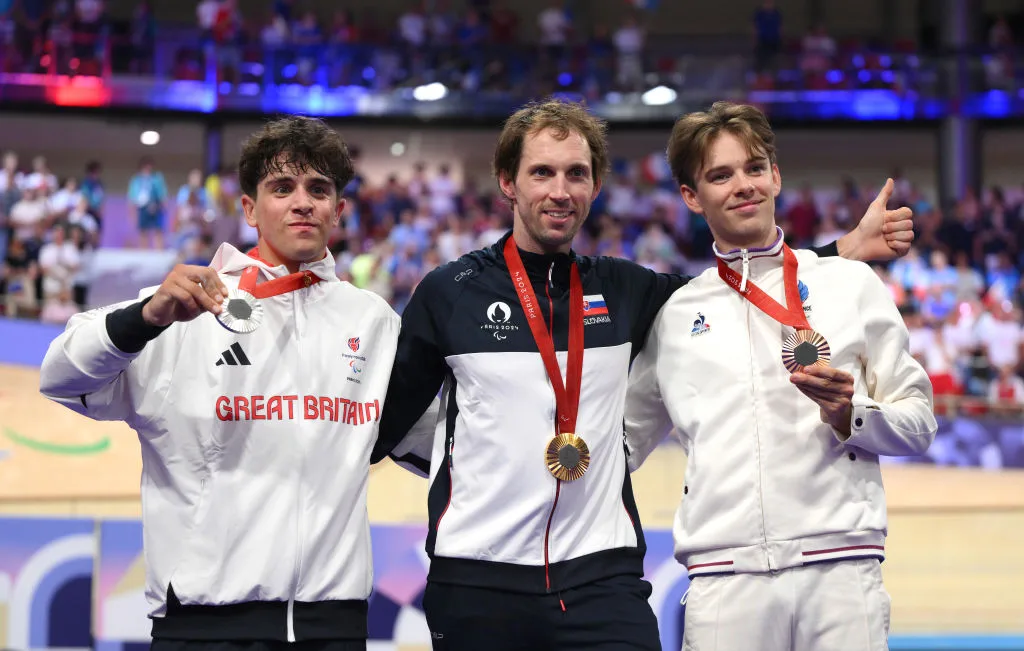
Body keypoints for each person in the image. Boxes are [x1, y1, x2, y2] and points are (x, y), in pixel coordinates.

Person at [372, 98, 915, 651]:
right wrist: (467, 470)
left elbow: (739, 289)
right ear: (507, 181)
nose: (560, 191)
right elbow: (386, 426)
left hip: (601, 581)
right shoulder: (450, 292)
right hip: (477, 579)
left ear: (596, 184)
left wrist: (842, 252)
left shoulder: (629, 290)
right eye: (542, 172)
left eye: (576, 174)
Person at [40, 116, 431, 651]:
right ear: (249, 209)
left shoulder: (374, 322)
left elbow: (433, 439)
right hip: (205, 622)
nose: (302, 202)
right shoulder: (184, 304)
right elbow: (60, 374)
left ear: (338, 210)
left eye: (319, 189)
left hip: (333, 625)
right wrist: (145, 319)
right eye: (281, 188)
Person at [623, 102, 938, 651]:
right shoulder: (675, 316)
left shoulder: (850, 284)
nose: (742, 185)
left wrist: (851, 414)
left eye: (753, 167)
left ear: (776, 175)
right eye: (720, 175)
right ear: (692, 197)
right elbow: (619, 446)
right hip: (724, 579)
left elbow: (919, 423)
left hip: (842, 572)